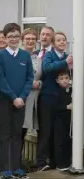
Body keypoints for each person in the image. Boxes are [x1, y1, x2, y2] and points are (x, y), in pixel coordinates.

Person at [0, 23, 33, 179]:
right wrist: (13, 97)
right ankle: (4, 169)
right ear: (5, 38)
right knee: (5, 135)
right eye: (10, 36)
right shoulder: (1, 55)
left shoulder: (25, 55)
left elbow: (29, 78)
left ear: (20, 37)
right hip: (5, 101)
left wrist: (21, 97)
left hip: (20, 102)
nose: (14, 39)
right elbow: (0, 79)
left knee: (17, 134)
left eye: (16, 36)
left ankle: (16, 167)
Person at [34, 31, 72, 172]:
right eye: (59, 40)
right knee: (46, 131)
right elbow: (47, 68)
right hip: (48, 98)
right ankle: (40, 162)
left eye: (64, 40)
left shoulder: (68, 56)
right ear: (53, 43)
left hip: (61, 100)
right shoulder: (50, 55)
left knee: (59, 132)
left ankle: (57, 161)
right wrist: (65, 63)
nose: (62, 42)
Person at [21, 29, 42, 162]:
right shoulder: (18, 56)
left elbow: (43, 77)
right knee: (20, 132)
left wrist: (38, 84)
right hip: (23, 98)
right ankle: (15, 162)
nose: (30, 41)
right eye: (27, 38)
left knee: (40, 130)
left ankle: (40, 161)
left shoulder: (39, 59)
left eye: (33, 39)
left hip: (36, 98)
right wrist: (29, 84)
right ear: (22, 40)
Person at [53, 69, 72, 171]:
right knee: (59, 142)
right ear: (57, 80)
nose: (64, 80)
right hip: (59, 121)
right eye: (62, 78)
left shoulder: (71, 90)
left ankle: (67, 163)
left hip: (68, 121)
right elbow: (54, 107)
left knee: (68, 141)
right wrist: (66, 107)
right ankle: (60, 164)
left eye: (66, 78)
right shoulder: (56, 92)